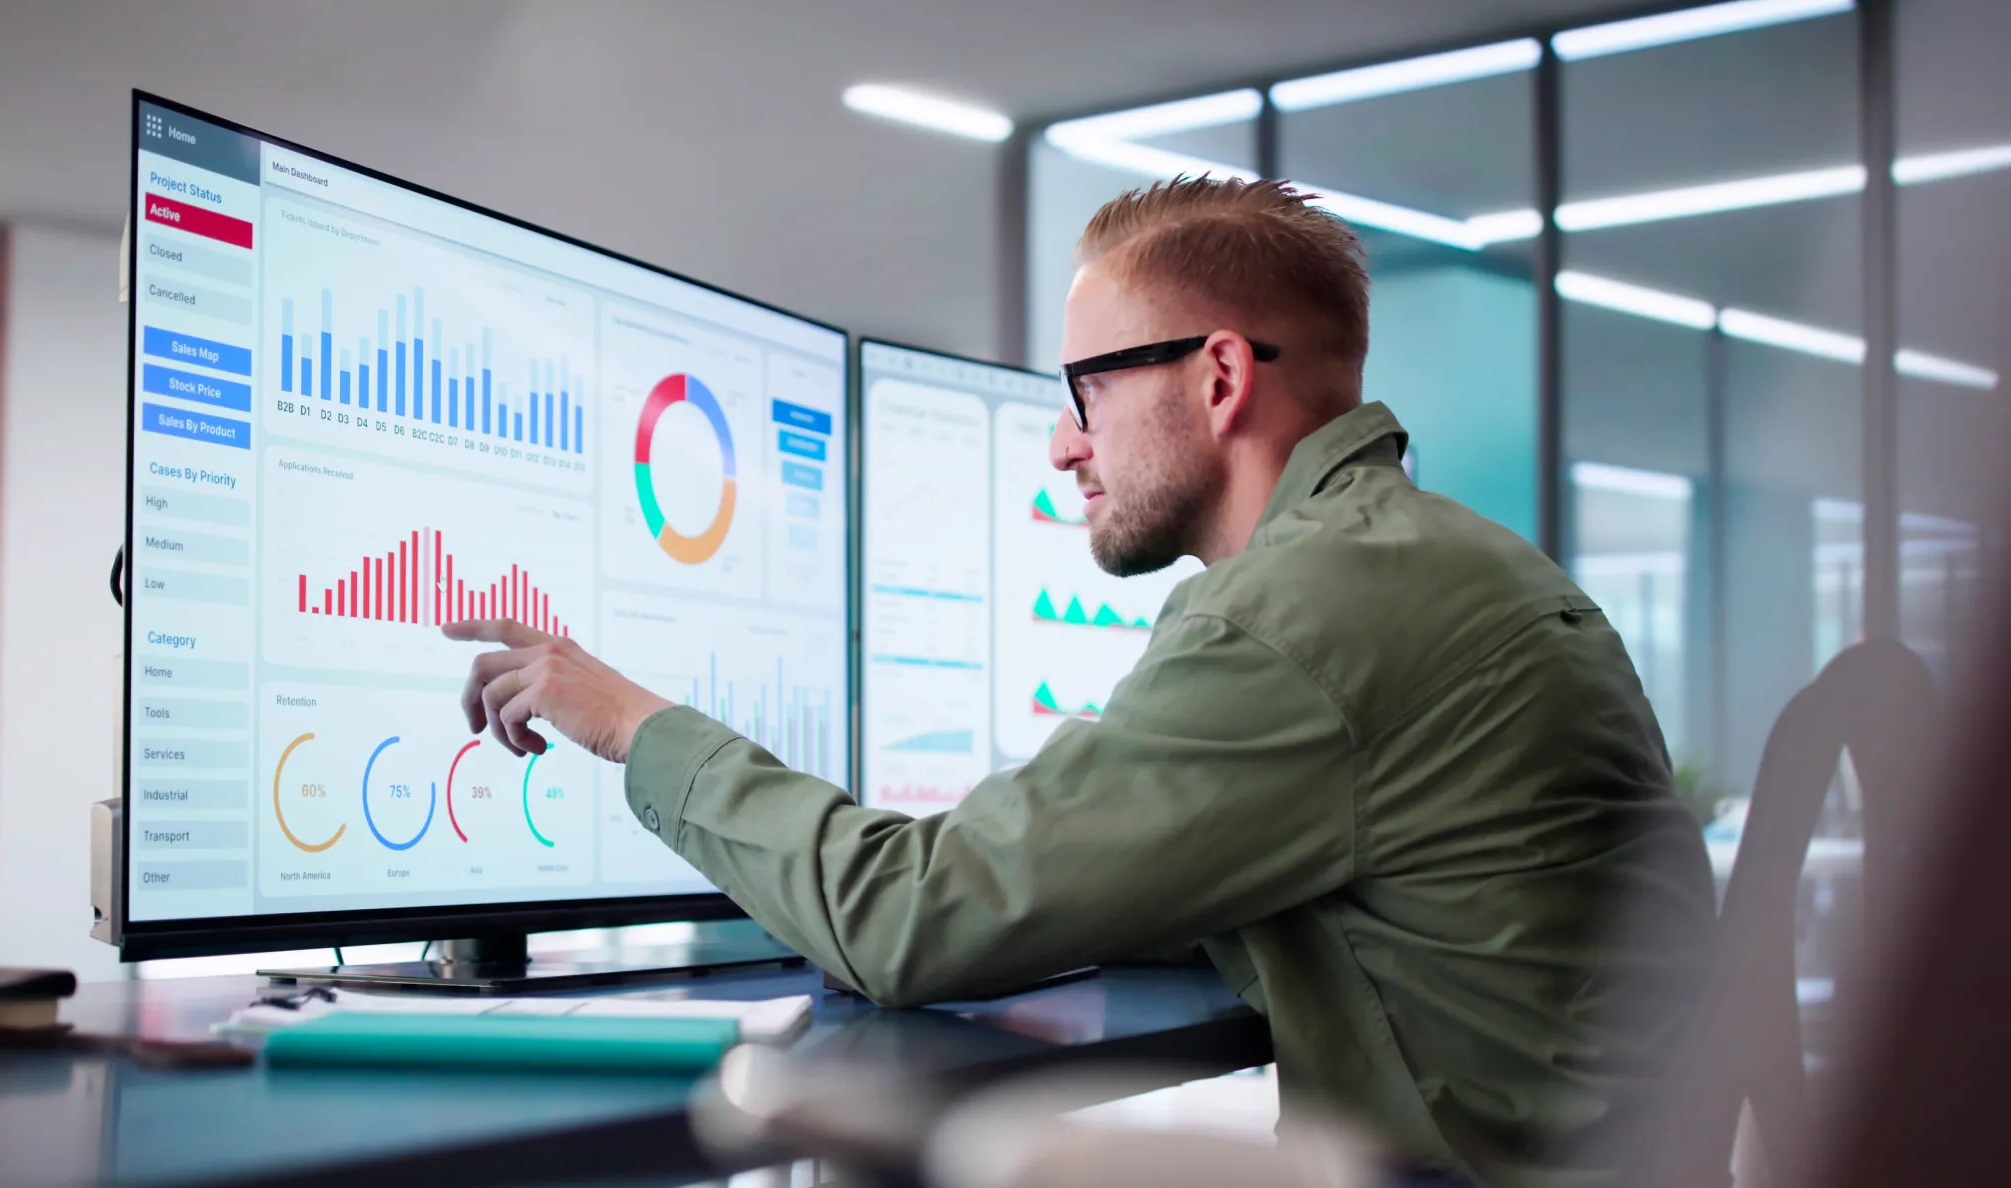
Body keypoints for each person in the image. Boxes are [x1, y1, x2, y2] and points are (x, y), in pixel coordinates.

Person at [446, 177, 1716, 1187]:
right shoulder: (1438, 560)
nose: (1064, 441)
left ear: (1219, 379)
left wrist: (634, 725)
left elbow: (911, 921)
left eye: (1086, 389)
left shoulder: (1300, 620)